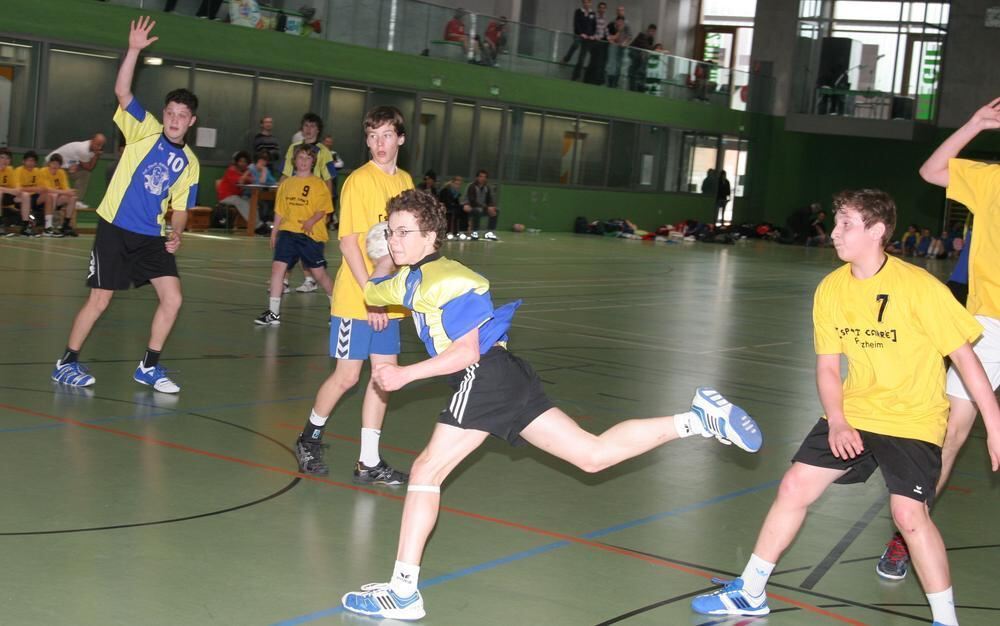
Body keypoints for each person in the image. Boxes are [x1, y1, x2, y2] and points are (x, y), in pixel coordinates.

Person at [340, 189, 763, 620]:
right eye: (391, 232)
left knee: (428, 470)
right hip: (507, 375)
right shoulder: (412, 276)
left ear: (432, 235)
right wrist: (382, 257)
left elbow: (466, 352)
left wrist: (404, 375)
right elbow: (375, 293)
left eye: (405, 232)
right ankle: (697, 420)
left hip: (483, 374)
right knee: (592, 455)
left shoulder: (451, 279)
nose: (395, 239)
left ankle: (404, 592)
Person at [690, 189, 1000, 626]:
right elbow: (828, 370)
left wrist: (995, 422)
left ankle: (946, 620)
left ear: (876, 231)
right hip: (856, 409)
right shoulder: (831, 289)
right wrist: (837, 420)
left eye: (846, 225)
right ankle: (751, 592)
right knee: (795, 485)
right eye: (836, 223)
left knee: (909, 515)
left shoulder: (920, 288)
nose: (834, 233)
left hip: (912, 417)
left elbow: (966, 359)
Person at [874, 97, 1000, 583]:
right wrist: (973, 123)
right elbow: (931, 170)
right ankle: (908, 534)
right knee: (949, 435)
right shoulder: (990, 180)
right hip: (989, 325)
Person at [50, 16, 200, 394]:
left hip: (152, 235)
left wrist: (177, 231)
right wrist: (133, 49)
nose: (174, 120)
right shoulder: (144, 129)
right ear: (164, 114)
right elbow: (122, 91)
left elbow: (180, 206)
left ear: (191, 121)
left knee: (173, 298)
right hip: (115, 228)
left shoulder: (191, 163)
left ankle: (149, 366)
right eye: (170, 113)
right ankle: (65, 362)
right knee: (100, 299)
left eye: (182, 116)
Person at [292, 106, 413, 484]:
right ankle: (308, 437)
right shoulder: (358, 181)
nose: (380, 143)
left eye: (387, 135)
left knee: (383, 377)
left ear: (400, 139)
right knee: (346, 377)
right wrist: (372, 296)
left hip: (388, 300)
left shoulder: (406, 182)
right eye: (373, 136)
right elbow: (348, 245)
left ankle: (368, 461)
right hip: (357, 298)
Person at [255, 144, 334, 326]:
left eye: (308, 158)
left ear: (313, 162)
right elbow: (280, 210)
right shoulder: (287, 184)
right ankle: (273, 314)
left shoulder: (318, 184)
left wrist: (311, 221)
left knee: (319, 274)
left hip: (309, 235)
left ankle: (337, 308)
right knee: (277, 269)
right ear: (294, 161)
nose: (304, 161)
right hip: (288, 233)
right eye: (300, 158)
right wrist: (274, 231)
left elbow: (323, 209)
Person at [281, 112, 337, 293]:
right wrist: (280, 193)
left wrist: (327, 210)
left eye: (312, 126)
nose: (308, 129)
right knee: (289, 238)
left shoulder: (325, 152)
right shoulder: (293, 148)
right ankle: (285, 280)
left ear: (318, 130)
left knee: (308, 240)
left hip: (314, 206)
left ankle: (311, 278)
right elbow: (287, 173)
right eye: (306, 125)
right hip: (295, 204)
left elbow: (329, 180)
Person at [45, 133, 105, 208]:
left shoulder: (93, 150)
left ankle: (75, 200)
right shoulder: (84, 149)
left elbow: (90, 168)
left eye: (101, 145)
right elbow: (89, 167)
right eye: (98, 144)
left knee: (84, 174)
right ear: (92, 141)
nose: (99, 147)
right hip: (51, 163)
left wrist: (96, 155)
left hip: (65, 167)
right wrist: (96, 155)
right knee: (51, 191)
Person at [38, 153, 78, 237]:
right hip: (42, 198)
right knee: (52, 195)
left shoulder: (61, 173)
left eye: (58, 164)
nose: (55, 166)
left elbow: (65, 188)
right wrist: (65, 192)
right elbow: (47, 189)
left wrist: (70, 191)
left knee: (73, 198)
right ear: (49, 163)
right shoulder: (43, 171)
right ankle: (48, 227)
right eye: (53, 163)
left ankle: (65, 225)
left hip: (57, 198)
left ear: (60, 165)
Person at [216, 150, 253, 225]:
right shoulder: (231, 170)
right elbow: (240, 182)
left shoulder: (245, 171)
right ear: (236, 162)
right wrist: (246, 174)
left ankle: (256, 225)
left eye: (245, 161)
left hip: (238, 196)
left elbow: (252, 180)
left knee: (252, 202)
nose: (242, 163)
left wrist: (245, 176)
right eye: (240, 161)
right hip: (226, 197)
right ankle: (255, 225)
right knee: (240, 201)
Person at [463, 169, 498, 240]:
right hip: (470, 207)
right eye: (481, 176)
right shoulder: (472, 186)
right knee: (477, 211)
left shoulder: (487, 187)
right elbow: (472, 201)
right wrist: (486, 208)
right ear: (477, 177)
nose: (483, 178)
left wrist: (491, 207)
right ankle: (474, 233)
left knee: (496, 211)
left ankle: (489, 233)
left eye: (485, 177)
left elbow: (490, 200)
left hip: (483, 208)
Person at [570, 0, 597, 82]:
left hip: (587, 38)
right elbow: (576, 23)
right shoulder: (578, 11)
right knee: (575, 45)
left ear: (590, 3)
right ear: (583, 3)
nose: (586, 4)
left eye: (588, 2)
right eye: (585, 2)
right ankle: (567, 57)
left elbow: (594, 26)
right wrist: (581, 33)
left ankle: (575, 77)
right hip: (579, 35)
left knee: (581, 59)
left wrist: (592, 35)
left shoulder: (593, 13)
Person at [606, 7, 631, 88]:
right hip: (613, 47)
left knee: (619, 66)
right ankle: (610, 83)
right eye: (618, 10)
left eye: (622, 10)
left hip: (622, 48)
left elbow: (629, 36)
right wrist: (611, 39)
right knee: (611, 65)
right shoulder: (612, 23)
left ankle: (615, 83)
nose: (620, 12)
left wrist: (625, 43)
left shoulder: (627, 24)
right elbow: (609, 35)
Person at [628, 24, 656, 92]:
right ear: (648, 30)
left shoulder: (651, 39)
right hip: (633, 53)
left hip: (640, 56)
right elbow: (646, 47)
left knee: (640, 70)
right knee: (634, 71)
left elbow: (648, 49)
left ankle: (639, 86)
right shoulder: (642, 35)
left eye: (654, 32)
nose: (652, 33)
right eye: (651, 31)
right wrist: (656, 49)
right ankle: (634, 87)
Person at [438, 174, 465, 240]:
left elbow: (456, 203)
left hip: (452, 208)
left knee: (462, 211)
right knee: (453, 213)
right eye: (456, 184)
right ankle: (448, 232)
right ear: (452, 183)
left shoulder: (457, 193)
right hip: (444, 208)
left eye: (459, 184)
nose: (457, 186)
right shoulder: (446, 191)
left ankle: (458, 232)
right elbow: (447, 203)